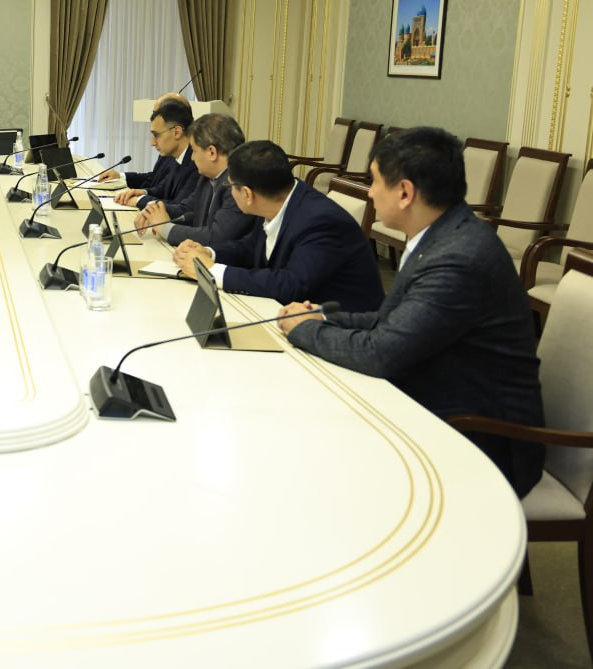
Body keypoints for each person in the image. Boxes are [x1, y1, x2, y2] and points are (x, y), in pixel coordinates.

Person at [277, 127, 544, 497]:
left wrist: (302, 330)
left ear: (404, 192)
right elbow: (393, 321)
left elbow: (381, 353)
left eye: (374, 181)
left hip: (481, 437)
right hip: (438, 400)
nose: (370, 193)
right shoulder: (440, 234)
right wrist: (323, 317)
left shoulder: (459, 257)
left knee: (319, 454)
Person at [172, 140, 384, 312]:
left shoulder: (321, 221)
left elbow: (291, 285)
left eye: (231, 186)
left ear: (247, 194)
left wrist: (211, 271)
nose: (230, 192)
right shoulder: (276, 200)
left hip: (343, 332)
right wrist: (209, 252)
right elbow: (249, 248)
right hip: (288, 317)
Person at [133, 113, 257, 247]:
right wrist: (154, 211)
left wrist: (165, 228)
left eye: (194, 150)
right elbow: (186, 209)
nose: (191, 157)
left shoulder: (238, 185)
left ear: (212, 153)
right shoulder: (207, 178)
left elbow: (216, 237)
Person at [102, 96, 200, 209]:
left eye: (156, 135)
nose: (152, 143)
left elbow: (179, 207)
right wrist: (142, 193)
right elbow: (163, 189)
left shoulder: (197, 162)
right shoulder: (178, 155)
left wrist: (139, 200)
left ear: (177, 132)